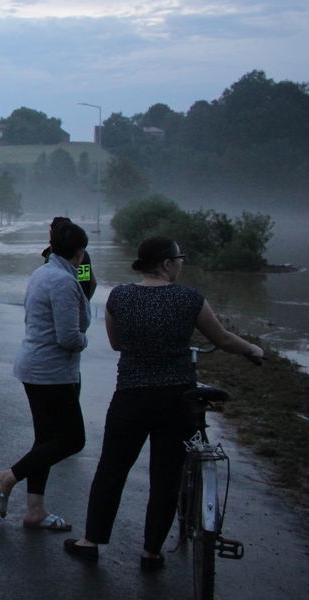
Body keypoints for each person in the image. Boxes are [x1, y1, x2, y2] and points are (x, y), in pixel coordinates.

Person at [63, 237, 264, 569]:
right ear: (167, 263)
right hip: (177, 400)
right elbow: (222, 338)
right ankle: (151, 552)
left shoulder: (120, 296)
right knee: (166, 476)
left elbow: (116, 344)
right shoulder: (188, 298)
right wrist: (253, 350)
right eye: (179, 258)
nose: (181, 263)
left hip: (131, 397)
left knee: (111, 470)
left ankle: (91, 540)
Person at [0, 221, 91, 531]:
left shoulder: (43, 272)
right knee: (73, 440)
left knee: (46, 439)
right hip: (51, 372)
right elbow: (69, 338)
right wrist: (86, 340)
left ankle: (35, 510)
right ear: (80, 252)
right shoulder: (62, 281)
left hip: (37, 367)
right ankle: (7, 477)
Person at [42, 216, 97, 301]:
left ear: (52, 233)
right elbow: (91, 283)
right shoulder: (82, 253)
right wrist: (85, 303)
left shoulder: (53, 256)